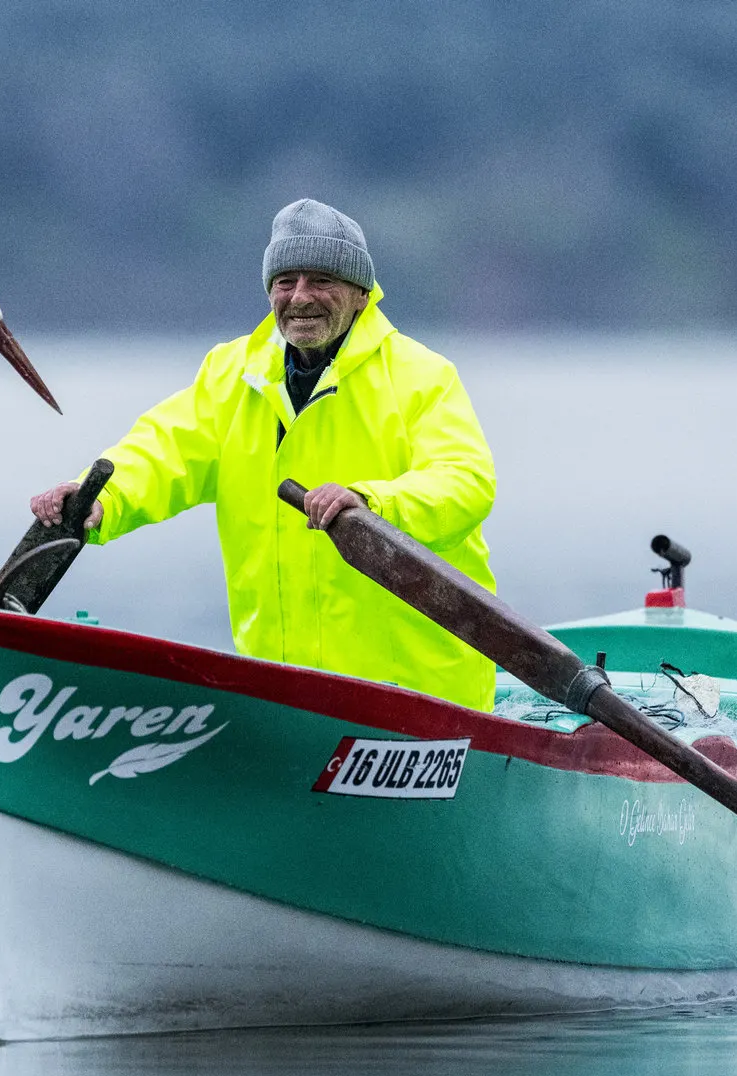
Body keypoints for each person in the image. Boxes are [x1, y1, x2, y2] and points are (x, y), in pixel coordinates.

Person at [30, 199, 498, 710]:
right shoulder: (230, 374)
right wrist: (100, 499)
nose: (300, 297)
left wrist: (373, 503)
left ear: (362, 293)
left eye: (321, 280)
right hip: (285, 701)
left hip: (424, 701)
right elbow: (161, 451)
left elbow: (465, 482)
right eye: (285, 281)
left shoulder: (422, 377)